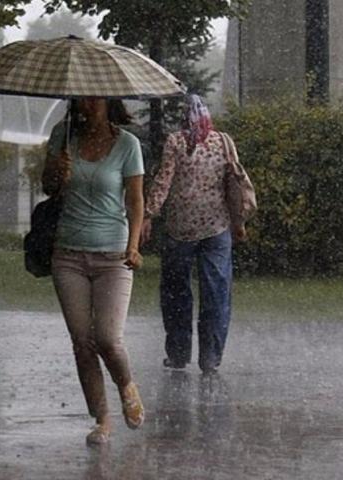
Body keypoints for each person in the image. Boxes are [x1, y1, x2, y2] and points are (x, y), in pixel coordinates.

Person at [41, 98, 145, 446]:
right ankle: (101, 419)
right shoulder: (63, 135)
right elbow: (48, 187)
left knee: (107, 339)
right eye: (82, 96)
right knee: (82, 342)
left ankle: (126, 386)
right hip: (67, 255)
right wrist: (57, 170)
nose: (88, 103)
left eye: (96, 96)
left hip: (113, 255)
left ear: (108, 100)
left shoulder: (128, 145)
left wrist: (133, 245)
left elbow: (135, 201)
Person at [141, 94, 256, 374]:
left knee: (176, 293)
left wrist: (148, 214)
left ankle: (179, 354)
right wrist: (238, 221)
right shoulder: (223, 141)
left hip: (180, 229)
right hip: (217, 228)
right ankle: (211, 358)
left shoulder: (176, 141)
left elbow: (163, 181)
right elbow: (234, 185)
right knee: (216, 293)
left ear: (183, 117)